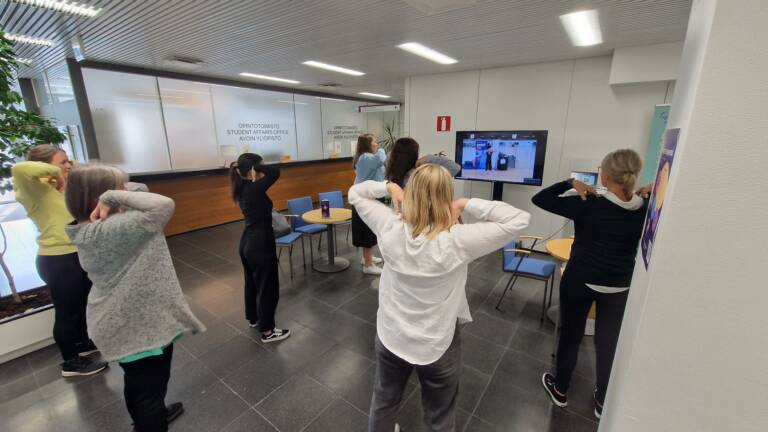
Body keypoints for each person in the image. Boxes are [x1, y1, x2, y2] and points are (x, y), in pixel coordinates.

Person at [349, 164, 530, 432]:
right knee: (439, 415)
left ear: (410, 193)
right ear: (446, 196)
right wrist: (466, 203)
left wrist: (388, 187)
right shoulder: (458, 239)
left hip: (391, 336)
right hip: (436, 344)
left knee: (384, 401)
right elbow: (519, 219)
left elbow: (355, 193)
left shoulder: (388, 226)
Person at [64, 164, 205, 432]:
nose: (126, 191)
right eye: (119, 189)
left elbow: (142, 191)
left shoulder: (88, 226)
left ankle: (147, 418)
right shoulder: (115, 227)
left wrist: (114, 194)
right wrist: (112, 197)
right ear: (100, 196)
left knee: (139, 383)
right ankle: (150, 422)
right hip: (137, 325)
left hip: (122, 321)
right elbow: (163, 204)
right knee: (149, 390)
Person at [533, 149, 648, 420]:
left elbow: (540, 198)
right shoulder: (645, 208)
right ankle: (602, 401)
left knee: (570, 337)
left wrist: (570, 183)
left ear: (605, 175)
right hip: (619, 287)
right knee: (608, 344)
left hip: (579, 281)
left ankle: (560, 390)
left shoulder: (588, 204)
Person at [11, 145, 106, 377]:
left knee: (83, 303)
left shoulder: (58, 189)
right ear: (47, 165)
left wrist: (62, 173)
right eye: (62, 161)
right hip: (57, 259)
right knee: (67, 312)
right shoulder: (33, 190)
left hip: (77, 253)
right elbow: (20, 168)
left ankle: (82, 344)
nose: (68, 166)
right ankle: (70, 363)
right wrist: (54, 170)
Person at [229, 153, 290, 343]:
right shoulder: (253, 189)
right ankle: (268, 331)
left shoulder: (242, 188)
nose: (265, 167)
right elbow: (275, 172)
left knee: (252, 282)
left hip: (247, 241)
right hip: (260, 243)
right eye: (261, 165)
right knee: (268, 285)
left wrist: (252, 168)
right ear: (254, 169)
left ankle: (254, 319)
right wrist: (258, 168)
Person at [352, 133, 387, 275]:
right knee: (368, 231)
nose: (377, 144)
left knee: (371, 229)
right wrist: (383, 150)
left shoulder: (368, 158)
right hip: (366, 199)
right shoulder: (366, 158)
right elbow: (381, 158)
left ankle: (366, 257)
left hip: (370, 198)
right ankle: (368, 265)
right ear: (367, 144)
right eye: (374, 141)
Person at [385, 137, 461, 188]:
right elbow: (455, 168)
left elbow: (392, 155)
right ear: (414, 155)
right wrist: (428, 158)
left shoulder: (391, 171)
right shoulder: (421, 177)